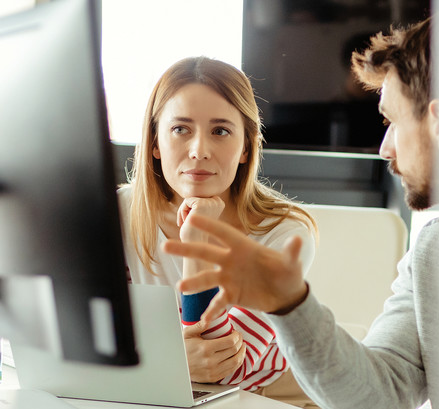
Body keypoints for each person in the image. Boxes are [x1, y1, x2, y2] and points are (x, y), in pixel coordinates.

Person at [162, 18, 439, 409]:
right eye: (180, 129)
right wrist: (290, 304)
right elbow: (380, 396)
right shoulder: (432, 252)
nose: (385, 149)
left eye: (392, 121)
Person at [118, 57, 320, 406]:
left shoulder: (286, 234)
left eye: (220, 131)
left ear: (245, 147)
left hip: (272, 396)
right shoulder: (117, 213)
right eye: (180, 129)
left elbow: (221, 368)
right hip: (160, 389)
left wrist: (197, 238)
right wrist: (170, 359)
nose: (199, 151)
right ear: (154, 143)